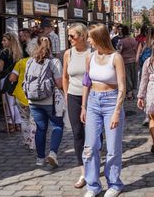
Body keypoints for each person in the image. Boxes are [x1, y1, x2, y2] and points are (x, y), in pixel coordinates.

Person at [81, 24, 126, 197]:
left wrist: (117, 111)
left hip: (111, 101)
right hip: (93, 101)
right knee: (90, 146)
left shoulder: (116, 58)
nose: (88, 41)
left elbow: (122, 86)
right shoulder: (89, 57)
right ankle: (92, 186)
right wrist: (84, 106)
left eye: (90, 38)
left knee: (113, 147)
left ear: (99, 38)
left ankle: (115, 183)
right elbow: (87, 83)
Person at [25, 36, 63, 167]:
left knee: (41, 129)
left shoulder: (30, 61)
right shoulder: (54, 62)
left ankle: (40, 159)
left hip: (33, 100)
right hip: (49, 101)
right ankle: (52, 153)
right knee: (57, 126)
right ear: (51, 46)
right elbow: (59, 83)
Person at [62, 23, 91, 189]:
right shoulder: (68, 53)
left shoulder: (92, 52)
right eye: (69, 36)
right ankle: (83, 172)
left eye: (72, 36)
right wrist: (66, 95)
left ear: (82, 36)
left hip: (92, 97)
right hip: (73, 96)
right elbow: (65, 76)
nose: (69, 39)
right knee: (78, 133)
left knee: (93, 134)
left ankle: (93, 161)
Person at [9, 43, 37, 152]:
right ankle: (33, 143)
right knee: (33, 121)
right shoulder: (39, 63)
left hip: (21, 95)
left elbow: (12, 78)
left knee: (24, 120)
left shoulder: (21, 62)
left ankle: (26, 141)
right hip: (35, 96)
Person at [0, 32, 23, 133]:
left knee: (7, 103)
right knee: (14, 102)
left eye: (4, 40)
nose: (2, 42)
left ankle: (10, 124)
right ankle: (18, 124)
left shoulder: (4, 53)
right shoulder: (18, 53)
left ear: (10, 41)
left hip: (6, 79)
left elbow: (0, 68)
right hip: (16, 78)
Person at [137, 40, 154, 153]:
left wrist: (140, 96)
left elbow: (143, 80)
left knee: (152, 119)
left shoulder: (148, 62)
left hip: (152, 92)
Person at [117, 25, 138, 100]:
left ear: (122, 32)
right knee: (134, 76)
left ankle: (129, 93)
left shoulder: (121, 41)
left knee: (127, 77)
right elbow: (136, 50)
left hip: (125, 61)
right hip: (134, 60)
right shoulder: (133, 40)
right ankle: (132, 91)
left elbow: (119, 52)